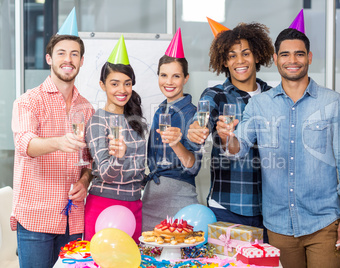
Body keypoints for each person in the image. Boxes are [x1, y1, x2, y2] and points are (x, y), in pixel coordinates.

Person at [217, 27, 340, 268]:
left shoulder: (334, 103)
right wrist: (226, 137)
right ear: (275, 59)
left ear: (310, 57)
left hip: (324, 223)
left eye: (299, 54)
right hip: (278, 225)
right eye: (285, 54)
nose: (292, 60)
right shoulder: (259, 105)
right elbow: (237, 150)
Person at [11, 8, 94, 267]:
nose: (67, 59)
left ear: (81, 61)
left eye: (74, 54)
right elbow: (25, 144)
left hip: (73, 217)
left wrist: (84, 180)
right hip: (37, 216)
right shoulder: (29, 101)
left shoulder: (87, 108)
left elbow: (89, 161)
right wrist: (58, 142)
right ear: (49, 58)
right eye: (61, 53)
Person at [187, 22, 274, 242]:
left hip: (271, 210)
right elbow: (202, 118)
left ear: (257, 56)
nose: (239, 61)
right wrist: (197, 129)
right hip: (227, 206)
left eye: (245, 53)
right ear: (225, 62)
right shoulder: (215, 95)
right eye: (232, 56)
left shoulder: (272, 97)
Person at [84, 36, 146, 243]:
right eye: (115, 83)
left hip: (135, 205)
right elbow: (105, 174)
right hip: (104, 205)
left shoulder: (136, 120)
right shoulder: (97, 121)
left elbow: (138, 168)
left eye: (127, 84)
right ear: (102, 85)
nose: (122, 90)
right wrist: (119, 158)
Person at [142, 28, 201, 232]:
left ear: (186, 78)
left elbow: (193, 167)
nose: (169, 82)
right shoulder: (160, 110)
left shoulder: (193, 114)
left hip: (180, 200)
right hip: (151, 198)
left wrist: (176, 144)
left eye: (176, 76)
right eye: (163, 75)